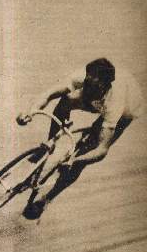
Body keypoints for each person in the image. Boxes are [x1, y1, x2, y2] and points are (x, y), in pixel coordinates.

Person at [17, 58, 144, 219]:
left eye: (93, 86)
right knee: (65, 101)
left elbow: (102, 150)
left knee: (83, 155)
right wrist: (30, 111)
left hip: (126, 110)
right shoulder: (84, 79)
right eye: (87, 83)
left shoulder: (114, 104)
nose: (88, 88)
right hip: (103, 96)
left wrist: (76, 161)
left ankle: (46, 199)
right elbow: (49, 94)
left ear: (104, 87)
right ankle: (50, 147)